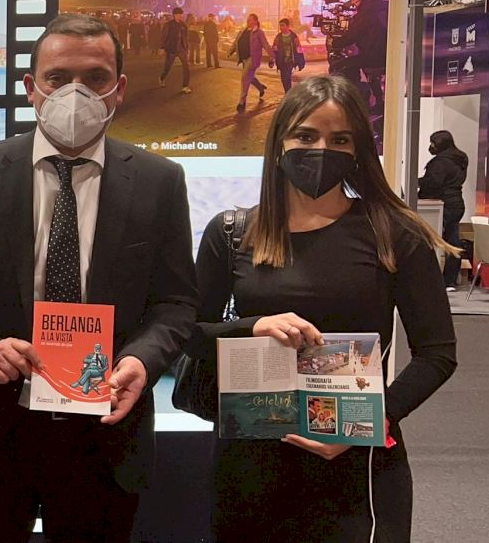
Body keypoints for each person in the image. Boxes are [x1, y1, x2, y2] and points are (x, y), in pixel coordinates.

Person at [0, 14, 198, 542]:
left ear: (119, 89)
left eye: (95, 78)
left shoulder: (159, 181)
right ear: (31, 88)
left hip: (106, 433)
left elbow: (176, 301)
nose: (75, 93)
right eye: (58, 78)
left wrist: (141, 360)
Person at [190, 75, 457, 541]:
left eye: (340, 140)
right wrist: (251, 327)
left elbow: (437, 353)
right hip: (250, 464)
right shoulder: (232, 233)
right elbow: (188, 333)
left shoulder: (394, 233)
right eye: (306, 135)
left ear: (358, 150)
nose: (321, 150)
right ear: (280, 142)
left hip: (356, 467)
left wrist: (371, 421)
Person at [418, 130, 469, 289]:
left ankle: (432, 278)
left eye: (433, 143)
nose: (431, 146)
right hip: (457, 203)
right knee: (452, 240)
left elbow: (432, 184)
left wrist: (417, 184)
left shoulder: (440, 162)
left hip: (442, 204)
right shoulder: (460, 159)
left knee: (430, 240)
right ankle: (450, 280)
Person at [330, 0, 388, 114]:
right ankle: (379, 102)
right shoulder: (380, 7)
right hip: (387, 53)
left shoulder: (366, 13)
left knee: (339, 66)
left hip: (374, 55)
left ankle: (358, 101)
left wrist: (335, 42)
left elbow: (352, 36)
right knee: (361, 65)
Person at [230, 13, 269, 113]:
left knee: (244, 78)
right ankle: (260, 87)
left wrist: (273, 56)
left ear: (255, 21)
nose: (248, 21)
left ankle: (242, 102)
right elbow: (236, 41)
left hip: (252, 59)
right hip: (244, 59)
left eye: (250, 19)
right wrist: (230, 51)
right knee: (249, 77)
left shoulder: (259, 32)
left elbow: (265, 44)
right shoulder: (243, 31)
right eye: (247, 19)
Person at [159, 6, 192, 94]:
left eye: (181, 14)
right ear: (174, 15)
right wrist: (162, 47)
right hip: (171, 48)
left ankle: (185, 86)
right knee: (167, 67)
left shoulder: (184, 25)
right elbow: (163, 36)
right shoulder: (168, 24)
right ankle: (162, 78)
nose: (180, 16)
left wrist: (187, 48)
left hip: (182, 49)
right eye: (178, 14)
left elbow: (186, 37)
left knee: (186, 67)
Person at [269, 17, 304, 92]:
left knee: (287, 77)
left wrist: (301, 61)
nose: (281, 27)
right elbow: (274, 49)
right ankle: (288, 92)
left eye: (283, 25)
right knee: (283, 79)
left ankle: (288, 93)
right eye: (280, 25)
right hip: (281, 61)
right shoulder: (278, 37)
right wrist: (272, 60)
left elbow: (298, 48)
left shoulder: (293, 37)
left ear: (288, 26)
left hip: (290, 61)